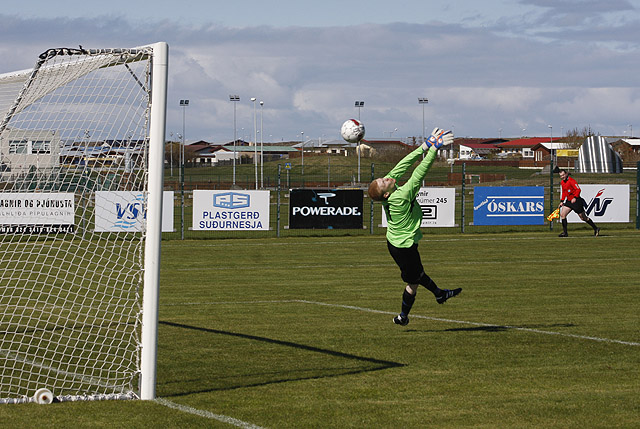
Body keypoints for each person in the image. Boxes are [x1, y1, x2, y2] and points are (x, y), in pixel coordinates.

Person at [368, 128, 462, 327]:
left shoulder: (390, 189)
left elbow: (404, 164)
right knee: (414, 281)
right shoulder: (400, 197)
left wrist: (424, 146)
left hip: (400, 242)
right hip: (403, 247)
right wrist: (434, 150)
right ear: (385, 194)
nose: (386, 178)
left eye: (382, 178)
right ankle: (403, 316)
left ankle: (439, 294)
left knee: (417, 275)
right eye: (383, 182)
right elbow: (418, 174)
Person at [557, 168, 600, 237]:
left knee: (583, 218)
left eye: (563, 175)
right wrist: (562, 201)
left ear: (566, 174)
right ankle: (565, 233)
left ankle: (596, 228)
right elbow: (564, 192)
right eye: (561, 176)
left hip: (576, 201)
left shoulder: (571, 181)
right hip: (569, 201)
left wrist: (575, 197)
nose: (562, 177)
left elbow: (578, 190)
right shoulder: (562, 182)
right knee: (562, 215)